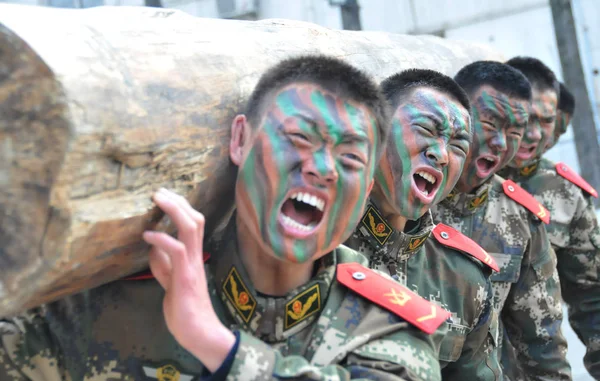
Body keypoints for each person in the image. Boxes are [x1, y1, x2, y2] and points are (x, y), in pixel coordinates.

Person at [0, 56, 449, 381]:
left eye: (350, 158)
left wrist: (213, 343)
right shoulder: (110, 301)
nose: (322, 169)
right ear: (240, 140)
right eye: (298, 137)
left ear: (367, 188)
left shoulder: (388, 329)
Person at [344, 68, 501, 380]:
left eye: (458, 144)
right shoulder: (317, 245)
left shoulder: (464, 278)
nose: (441, 154)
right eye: (427, 130)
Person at [431, 60, 572, 380]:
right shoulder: (406, 197)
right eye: (491, 124)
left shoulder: (521, 219)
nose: (502, 143)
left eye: (514, 132)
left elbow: (543, 346)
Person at [500, 57, 600, 379]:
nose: (532, 134)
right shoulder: (454, 180)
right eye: (525, 118)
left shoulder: (565, 193)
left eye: (544, 121)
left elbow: (592, 296)